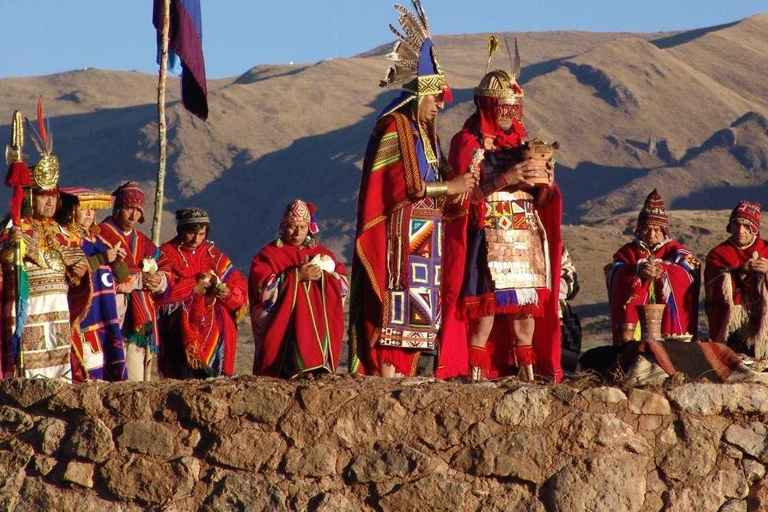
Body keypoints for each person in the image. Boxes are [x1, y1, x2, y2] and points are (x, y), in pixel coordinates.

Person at [347, 0, 478, 377]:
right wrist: (449, 186)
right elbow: (405, 187)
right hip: (398, 236)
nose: (440, 105)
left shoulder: (428, 136)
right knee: (395, 308)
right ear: (419, 95)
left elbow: (446, 185)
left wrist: (467, 181)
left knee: (418, 316)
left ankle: (402, 376)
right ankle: (385, 376)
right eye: (436, 98)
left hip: (425, 237)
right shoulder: (395, 128)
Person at [442, 53, 563, 382]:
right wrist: (503, 180)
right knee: (487, 306)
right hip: (488, 232)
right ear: (487, 106)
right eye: (503, 108)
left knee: (526, 305)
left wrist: (546, 184)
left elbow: (542, 200)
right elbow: (461, 198)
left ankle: (528, 373)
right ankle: (476, 374)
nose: (510, 115)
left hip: (526, 232)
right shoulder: (467, 143)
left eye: (514, 108)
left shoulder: (525, 143)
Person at [0, 104, 90, 381]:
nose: (50, 202)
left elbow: (78, 260)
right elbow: (5, 264)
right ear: (30, 196)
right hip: (28, 305)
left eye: (53, 196)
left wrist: (80, 270)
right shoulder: (13, 228)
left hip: (58, 308)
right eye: (43, 195)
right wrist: (10, 249)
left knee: (59, 368)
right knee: (28, 370)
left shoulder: (61, 231)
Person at [249, 200, 347, 377]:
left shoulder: (322, 253)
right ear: (283, 226)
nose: (297, 232)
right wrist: (296, 276)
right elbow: (262, 288)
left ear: (309, 227)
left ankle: (317, 364)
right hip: (284, 325)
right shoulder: (269, 254)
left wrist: (324, 276)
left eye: (302, 227)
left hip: (317, 320)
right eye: (292, 227)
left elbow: (343, 284)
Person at [157, 208, 247, 378]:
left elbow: (238, 284)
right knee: (182, 376)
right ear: (181, 231)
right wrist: (193, 288)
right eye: (191, 233)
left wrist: (226, 292)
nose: (196, 239)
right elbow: (162, 290)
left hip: (213, 325)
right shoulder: (165, 254)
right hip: (180, 328)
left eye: (201, 234)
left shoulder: (214, 255)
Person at [606, 189, 700, 344]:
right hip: (635, 329)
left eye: (656, 230)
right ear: (639, 230)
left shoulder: (676, 251)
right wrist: (636, 270)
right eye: (646, 229)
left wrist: (663, 271)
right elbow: (613, 273)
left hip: (667, 323)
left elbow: (691, 272)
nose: (651, 235)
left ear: (664, 231)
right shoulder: (627, 252)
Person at [55, 187, 129, 381]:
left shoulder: (100, 240)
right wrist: (102, 258)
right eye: (84, 208)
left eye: (93, 209)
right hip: (85, 313)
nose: (89, 213)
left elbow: (121, 276)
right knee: (89, 365)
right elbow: (71, 273)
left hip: (107, 311)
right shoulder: (67, 241)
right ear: (70, 210)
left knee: (109, 361)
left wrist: (117, 261)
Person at [98, 182, 168, 381]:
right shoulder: (100, 235)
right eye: (129, 208)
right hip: (110, 310)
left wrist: (158, 280)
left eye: (138, 211)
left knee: (135, 375)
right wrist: (138, 280)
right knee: (109, 369)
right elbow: (100, 273)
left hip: (138, 318)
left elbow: (164, 263)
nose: (133, 216)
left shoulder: (142, 241)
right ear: (118, 208)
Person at [705, 201, 768, 358]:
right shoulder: (718, 254)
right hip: (732, 325)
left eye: (747, 226)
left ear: (755, 229)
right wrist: (739, 273)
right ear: (730, 226)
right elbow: (712, 294)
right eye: (736, 224)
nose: (740, 231)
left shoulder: (766, 249)